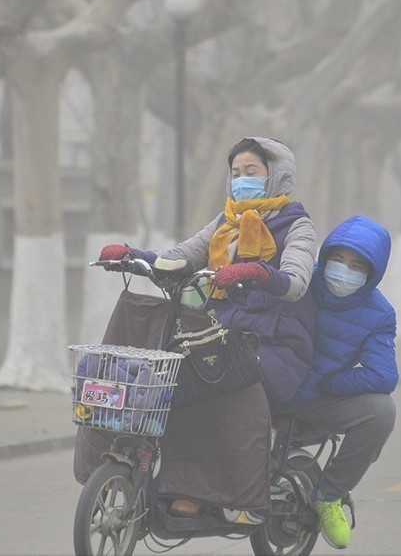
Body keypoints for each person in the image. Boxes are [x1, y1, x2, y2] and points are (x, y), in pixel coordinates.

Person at [98, 136, 318, 520]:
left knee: (208, 383)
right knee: (172, 378)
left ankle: (210, 488)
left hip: (276, 344)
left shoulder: (296, 224)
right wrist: (135, 256)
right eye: (236, 173)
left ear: (276, 175)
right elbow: (180, 257)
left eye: (252, 172)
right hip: (223, 335)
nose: (241, 180)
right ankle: (176, 481)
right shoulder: (225, 223)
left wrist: (258, 271)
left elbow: (296, 281)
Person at [283, 214, 397, 550]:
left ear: (371, 272)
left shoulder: (379, 314)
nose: (344, 270)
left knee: (380, 412)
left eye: (356, 265)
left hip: (315, 399)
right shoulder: (299, 281)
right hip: (268, 384)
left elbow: (383, 375)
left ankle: (329, 495)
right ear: (325, 255)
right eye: (338, 259)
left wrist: (329, 385)